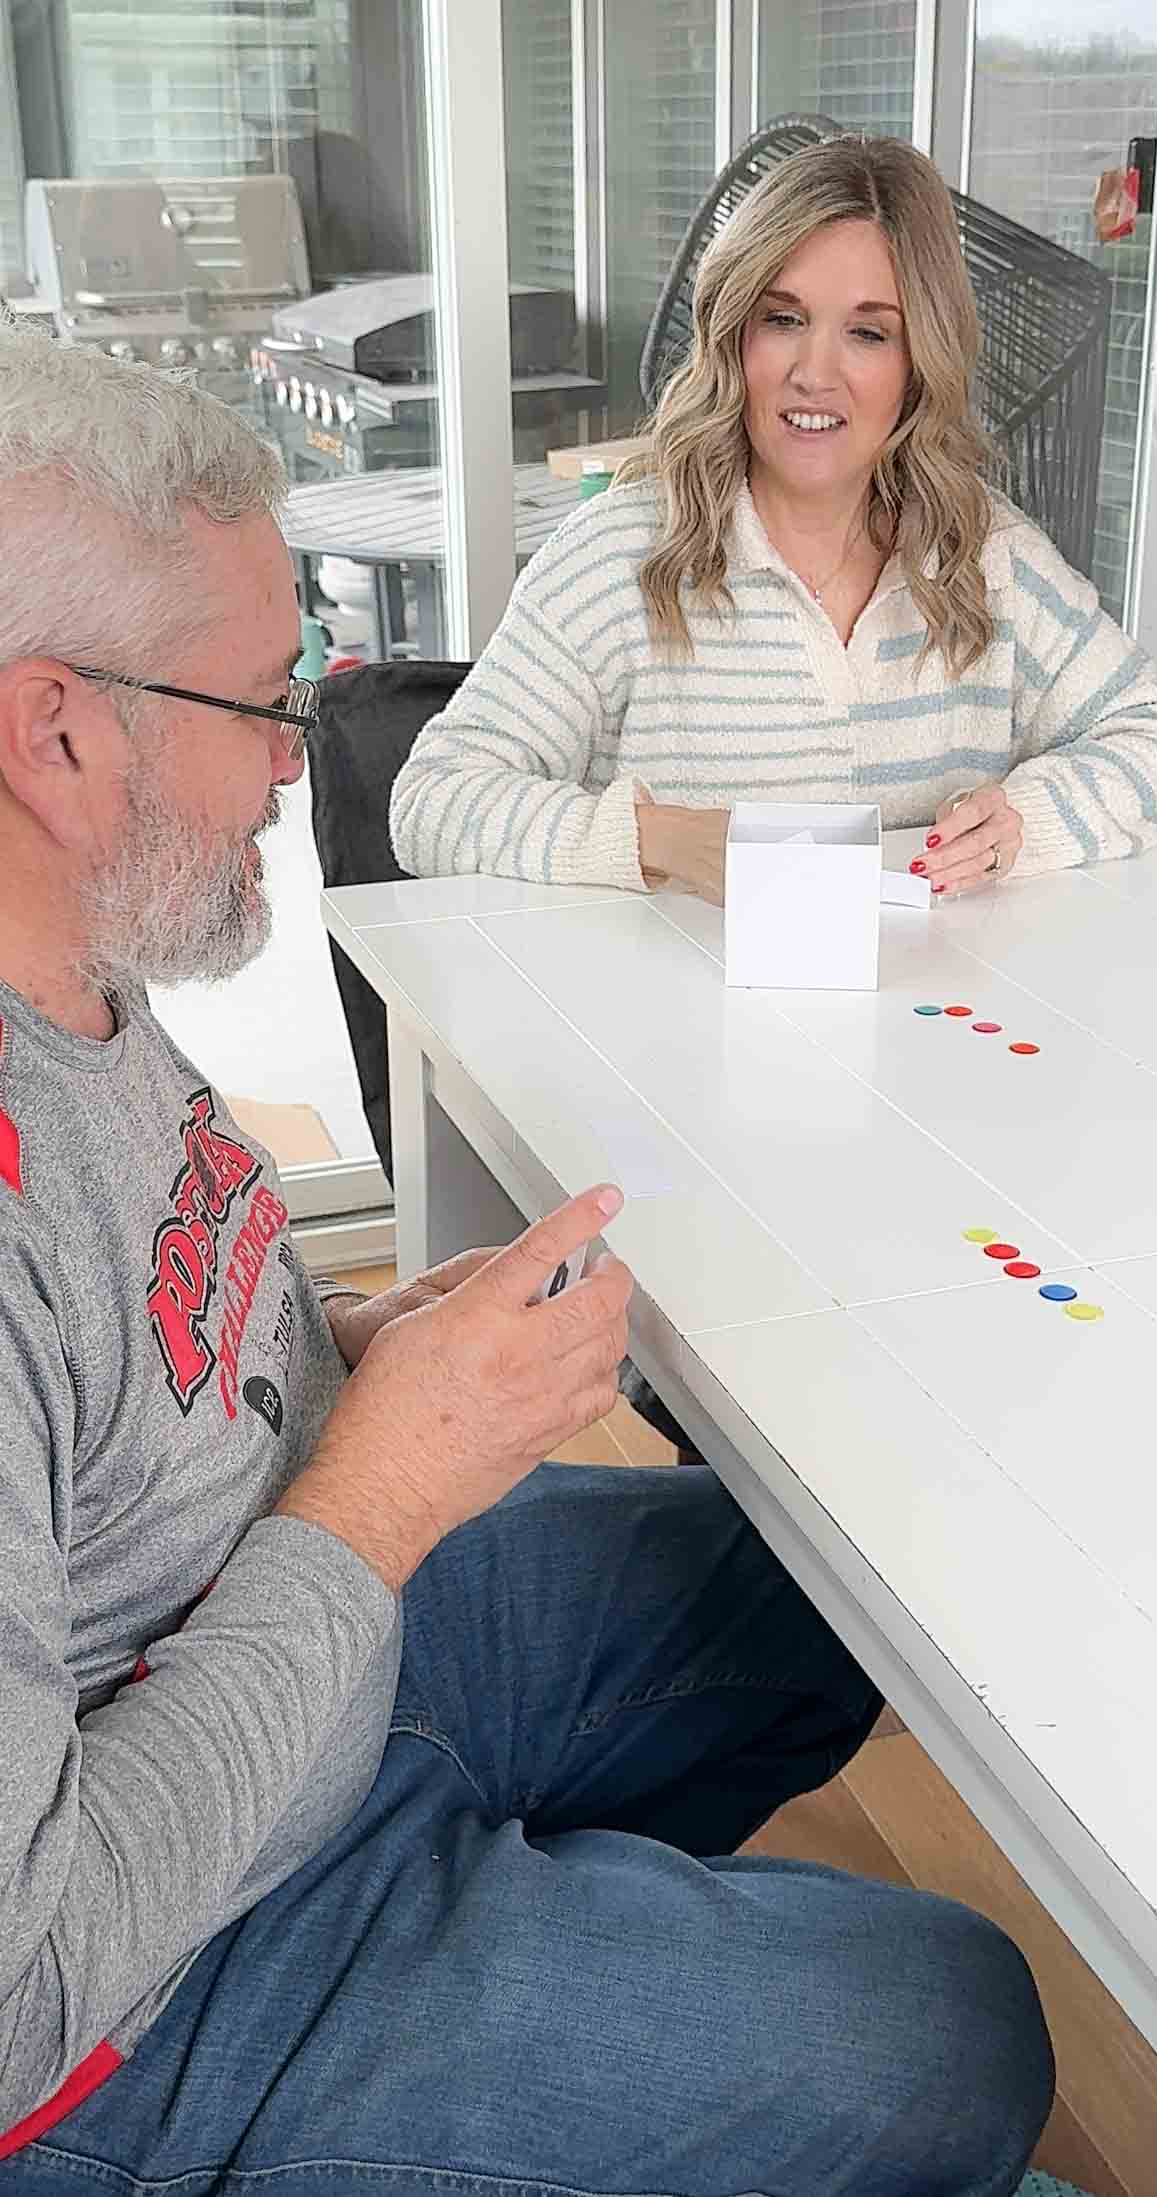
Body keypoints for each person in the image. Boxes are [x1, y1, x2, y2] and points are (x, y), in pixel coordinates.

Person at [0, 326, 1054, 2196]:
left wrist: (331, 1331)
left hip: (294, 1629)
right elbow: (24, 1991)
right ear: (57, 725)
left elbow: (119, 1368)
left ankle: (547, 1951)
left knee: (821, 1576)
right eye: (264, 700)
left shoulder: (77, 957)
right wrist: (394, 1478)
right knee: (957, 2024)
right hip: (155, 1992)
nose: (292, 757)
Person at [390, 136, 1157, 905]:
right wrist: (663, 840)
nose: (815, 373)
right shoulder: (621, 555)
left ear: (919, 364)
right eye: (783, 319)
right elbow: (432, 802)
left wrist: (1028, 818)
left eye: (868, 333)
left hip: (923, 1029)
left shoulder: (990, 559)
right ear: (735, 335)